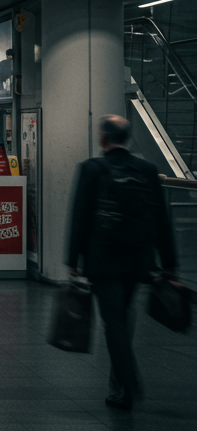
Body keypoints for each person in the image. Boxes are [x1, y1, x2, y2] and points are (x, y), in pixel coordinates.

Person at [67, 114, 177, 410]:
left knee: (113, 322)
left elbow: (80, 217)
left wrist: (72, 260)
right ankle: (120, 389)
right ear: (126, 138)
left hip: (103, 260)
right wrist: (169, 262)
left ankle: (128, 380)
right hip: (138, 260)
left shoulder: (92, 169)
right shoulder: (147, 170)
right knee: (122, 319)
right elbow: (161, 221)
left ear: (103, 138)